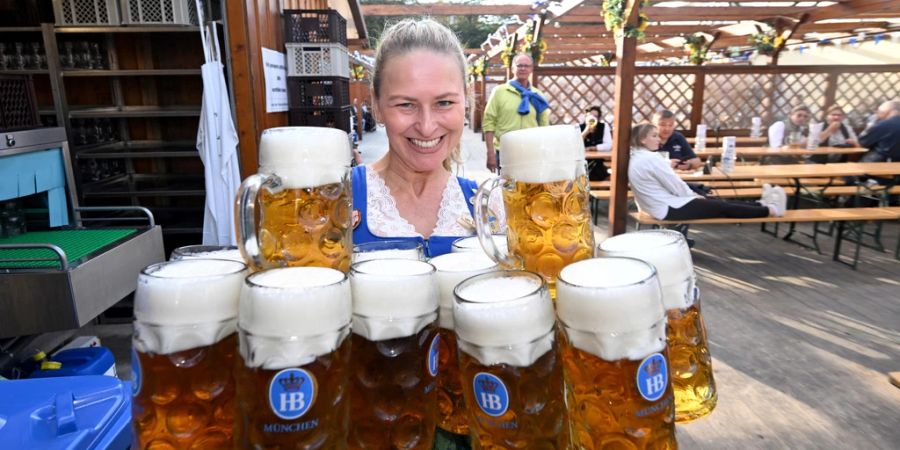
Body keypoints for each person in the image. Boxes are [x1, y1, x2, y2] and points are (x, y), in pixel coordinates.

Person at [351, 19, 481, 263]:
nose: (427, 126)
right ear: (377, 106)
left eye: (444, 103)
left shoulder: (492, 207)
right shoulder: (336, 203)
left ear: (466, 99)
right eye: (406, 104)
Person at [629, 123, 786, 223]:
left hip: (661, 206)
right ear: (643, 139)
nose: (659, 139)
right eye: (654, 135)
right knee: (722, 207)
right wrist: (692, 196)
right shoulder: (651, 158)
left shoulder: (637, 156)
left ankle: (761, 204)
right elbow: (674, 184)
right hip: (668, 208)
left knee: (718, 203)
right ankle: (771, 210)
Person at [481, 53, 550, 173]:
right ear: (512, 68)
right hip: (506, 151)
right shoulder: (499, 92)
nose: (523, 68)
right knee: (508, 189)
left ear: (531, 69)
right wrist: (490, 152)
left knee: (530, 188)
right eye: (519, 65)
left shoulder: (537, 95)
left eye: (526, 66)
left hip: (531, 152)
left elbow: (544, 126)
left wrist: (544, 151)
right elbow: (489, 122)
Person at [581, 105, 612, 181]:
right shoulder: (580, 127)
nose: (593, 118)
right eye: (591, 116)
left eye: (595, 116)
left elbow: (608, 145)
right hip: (582, 163)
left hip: (597, 163)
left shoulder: (603, 126)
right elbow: (575, 144)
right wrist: (586, 131)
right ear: (586, 116)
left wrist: (592, 148)